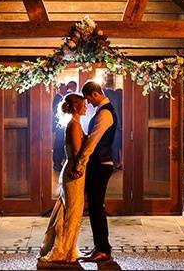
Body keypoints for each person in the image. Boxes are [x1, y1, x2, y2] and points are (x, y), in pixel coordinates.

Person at [70, 80, 117, 263]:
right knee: (96, 206)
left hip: (101, 164)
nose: (88, 103)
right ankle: (101, 247)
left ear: (95, 94)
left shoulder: (105, 113)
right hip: (100, 163)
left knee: (96, 207)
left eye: (88, 99)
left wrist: (80, 164)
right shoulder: (103, 111)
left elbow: (92, 142)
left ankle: (103, 249)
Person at [38, 93, 87, 263]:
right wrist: (78, 167)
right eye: (84, 105)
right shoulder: (73, 125)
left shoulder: (75, 124)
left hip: (73, 170)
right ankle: (63, 249)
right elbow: (76, 152)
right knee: (72, 210)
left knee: (71, 208)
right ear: (76, 108)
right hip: (74, 172)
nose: (86, 107)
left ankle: (69, 247)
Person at [52, 83, 68, 172]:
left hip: (61, 125)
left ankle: (58, 162)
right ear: (60, 89)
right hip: (59, 125)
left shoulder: (60, 98)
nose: (65, 90)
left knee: (60, 143)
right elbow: (56, 112)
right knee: (59, 143)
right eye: (64, 88)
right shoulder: (58, 98)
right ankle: (57, 163)